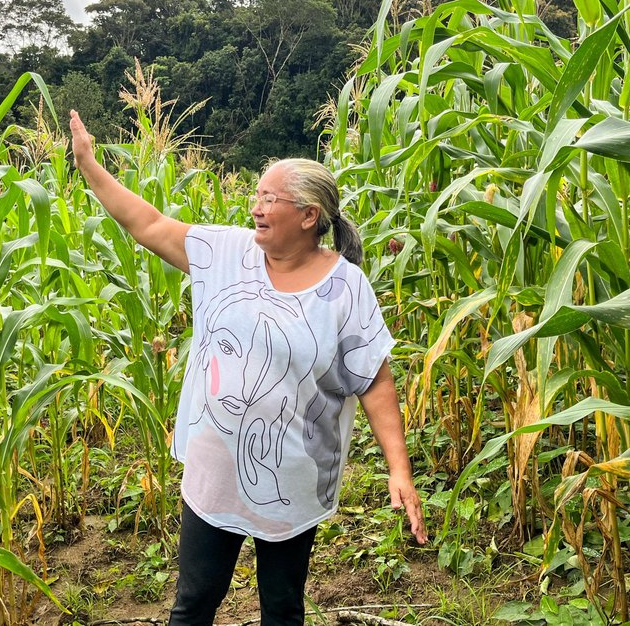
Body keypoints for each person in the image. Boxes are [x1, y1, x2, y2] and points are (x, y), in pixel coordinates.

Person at [68, 110, 427, 626]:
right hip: (215, 467)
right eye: (256, 195)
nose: (254, 207)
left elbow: (374, 379)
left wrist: (399, 469)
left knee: (282, 609)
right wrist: (89, 166)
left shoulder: (346, 288)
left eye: (268, 198)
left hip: (293, 476)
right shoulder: (224, 252)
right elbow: (146, 222)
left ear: (308, 216)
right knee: (194, 603)